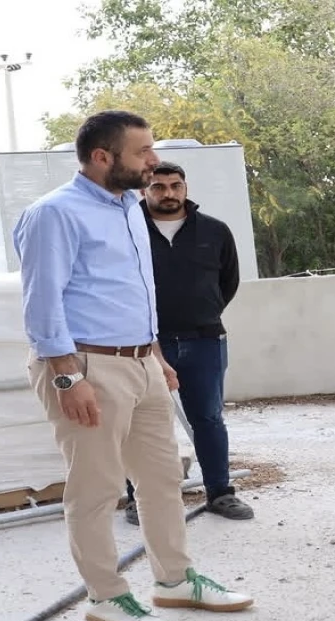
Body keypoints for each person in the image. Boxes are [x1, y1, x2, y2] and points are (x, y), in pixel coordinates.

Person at [13, 109, 253, 621]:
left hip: (143, 362)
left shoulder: (127, 209)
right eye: (143, 151)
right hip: (86, 365)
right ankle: (105, 595)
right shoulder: (55, 213)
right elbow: (41, 304)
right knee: (97, 488)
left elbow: (133, 292)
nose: (153, 160)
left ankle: (174, 580)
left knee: (163, 478)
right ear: (103, 157)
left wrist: (156, 356)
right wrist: (66, 377)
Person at [123, 160, 254, 525]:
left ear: (185, 188)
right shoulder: (127, 230)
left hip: (205, 340)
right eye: (159, 186)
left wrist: (203, 312)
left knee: (208, 418)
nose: (168, 193)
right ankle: (138, 498)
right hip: (146, 343)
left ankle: (220, 494)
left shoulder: (214, 231)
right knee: (142, 422)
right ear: (144, 190)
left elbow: (228, 282)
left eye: (175, 186)